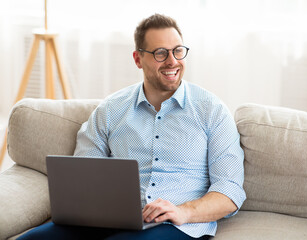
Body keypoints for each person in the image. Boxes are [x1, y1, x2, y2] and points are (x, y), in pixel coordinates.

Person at [18, 13, 246, 240]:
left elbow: (230, 191)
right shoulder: (110, 110)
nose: (172, 61)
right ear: (138, 59)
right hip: (108, 220)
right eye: (160, 53)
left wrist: (182, 212)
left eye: (178, 50)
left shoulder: (211, 110)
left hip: (176, 225)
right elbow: (85, 177)